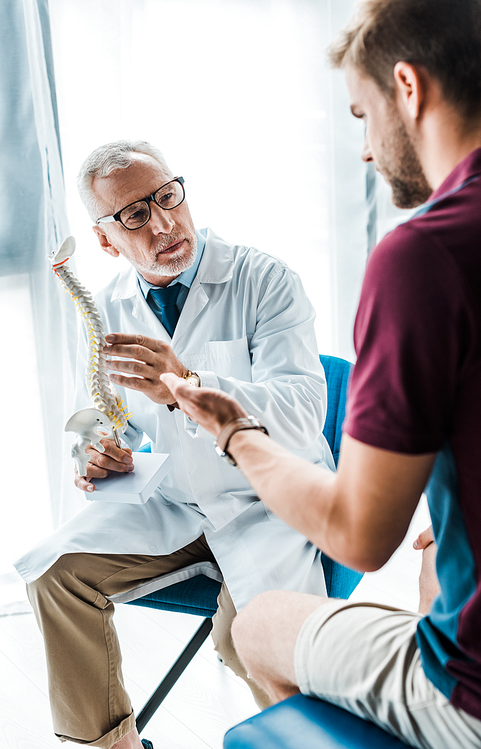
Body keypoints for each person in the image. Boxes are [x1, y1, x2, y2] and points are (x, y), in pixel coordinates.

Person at [161, 1, 481, 747]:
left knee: (263, 622)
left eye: (361, 114)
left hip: (470, 697)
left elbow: (358, 535)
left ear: (409, 86)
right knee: (436, 566)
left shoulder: (421, 256)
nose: (365, 150)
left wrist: (235, 430)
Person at [15, 139, 335, 749]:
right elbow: (117, 424)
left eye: (168, 197)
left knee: (256, 652)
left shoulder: (265, 280)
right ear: (105, 239)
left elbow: (302, 414)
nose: (164, 223)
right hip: (175, 505)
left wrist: (187, 384)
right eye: (135, 214)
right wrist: (101, 460)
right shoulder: (107, 308)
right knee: (55, 575)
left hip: (270, 504)